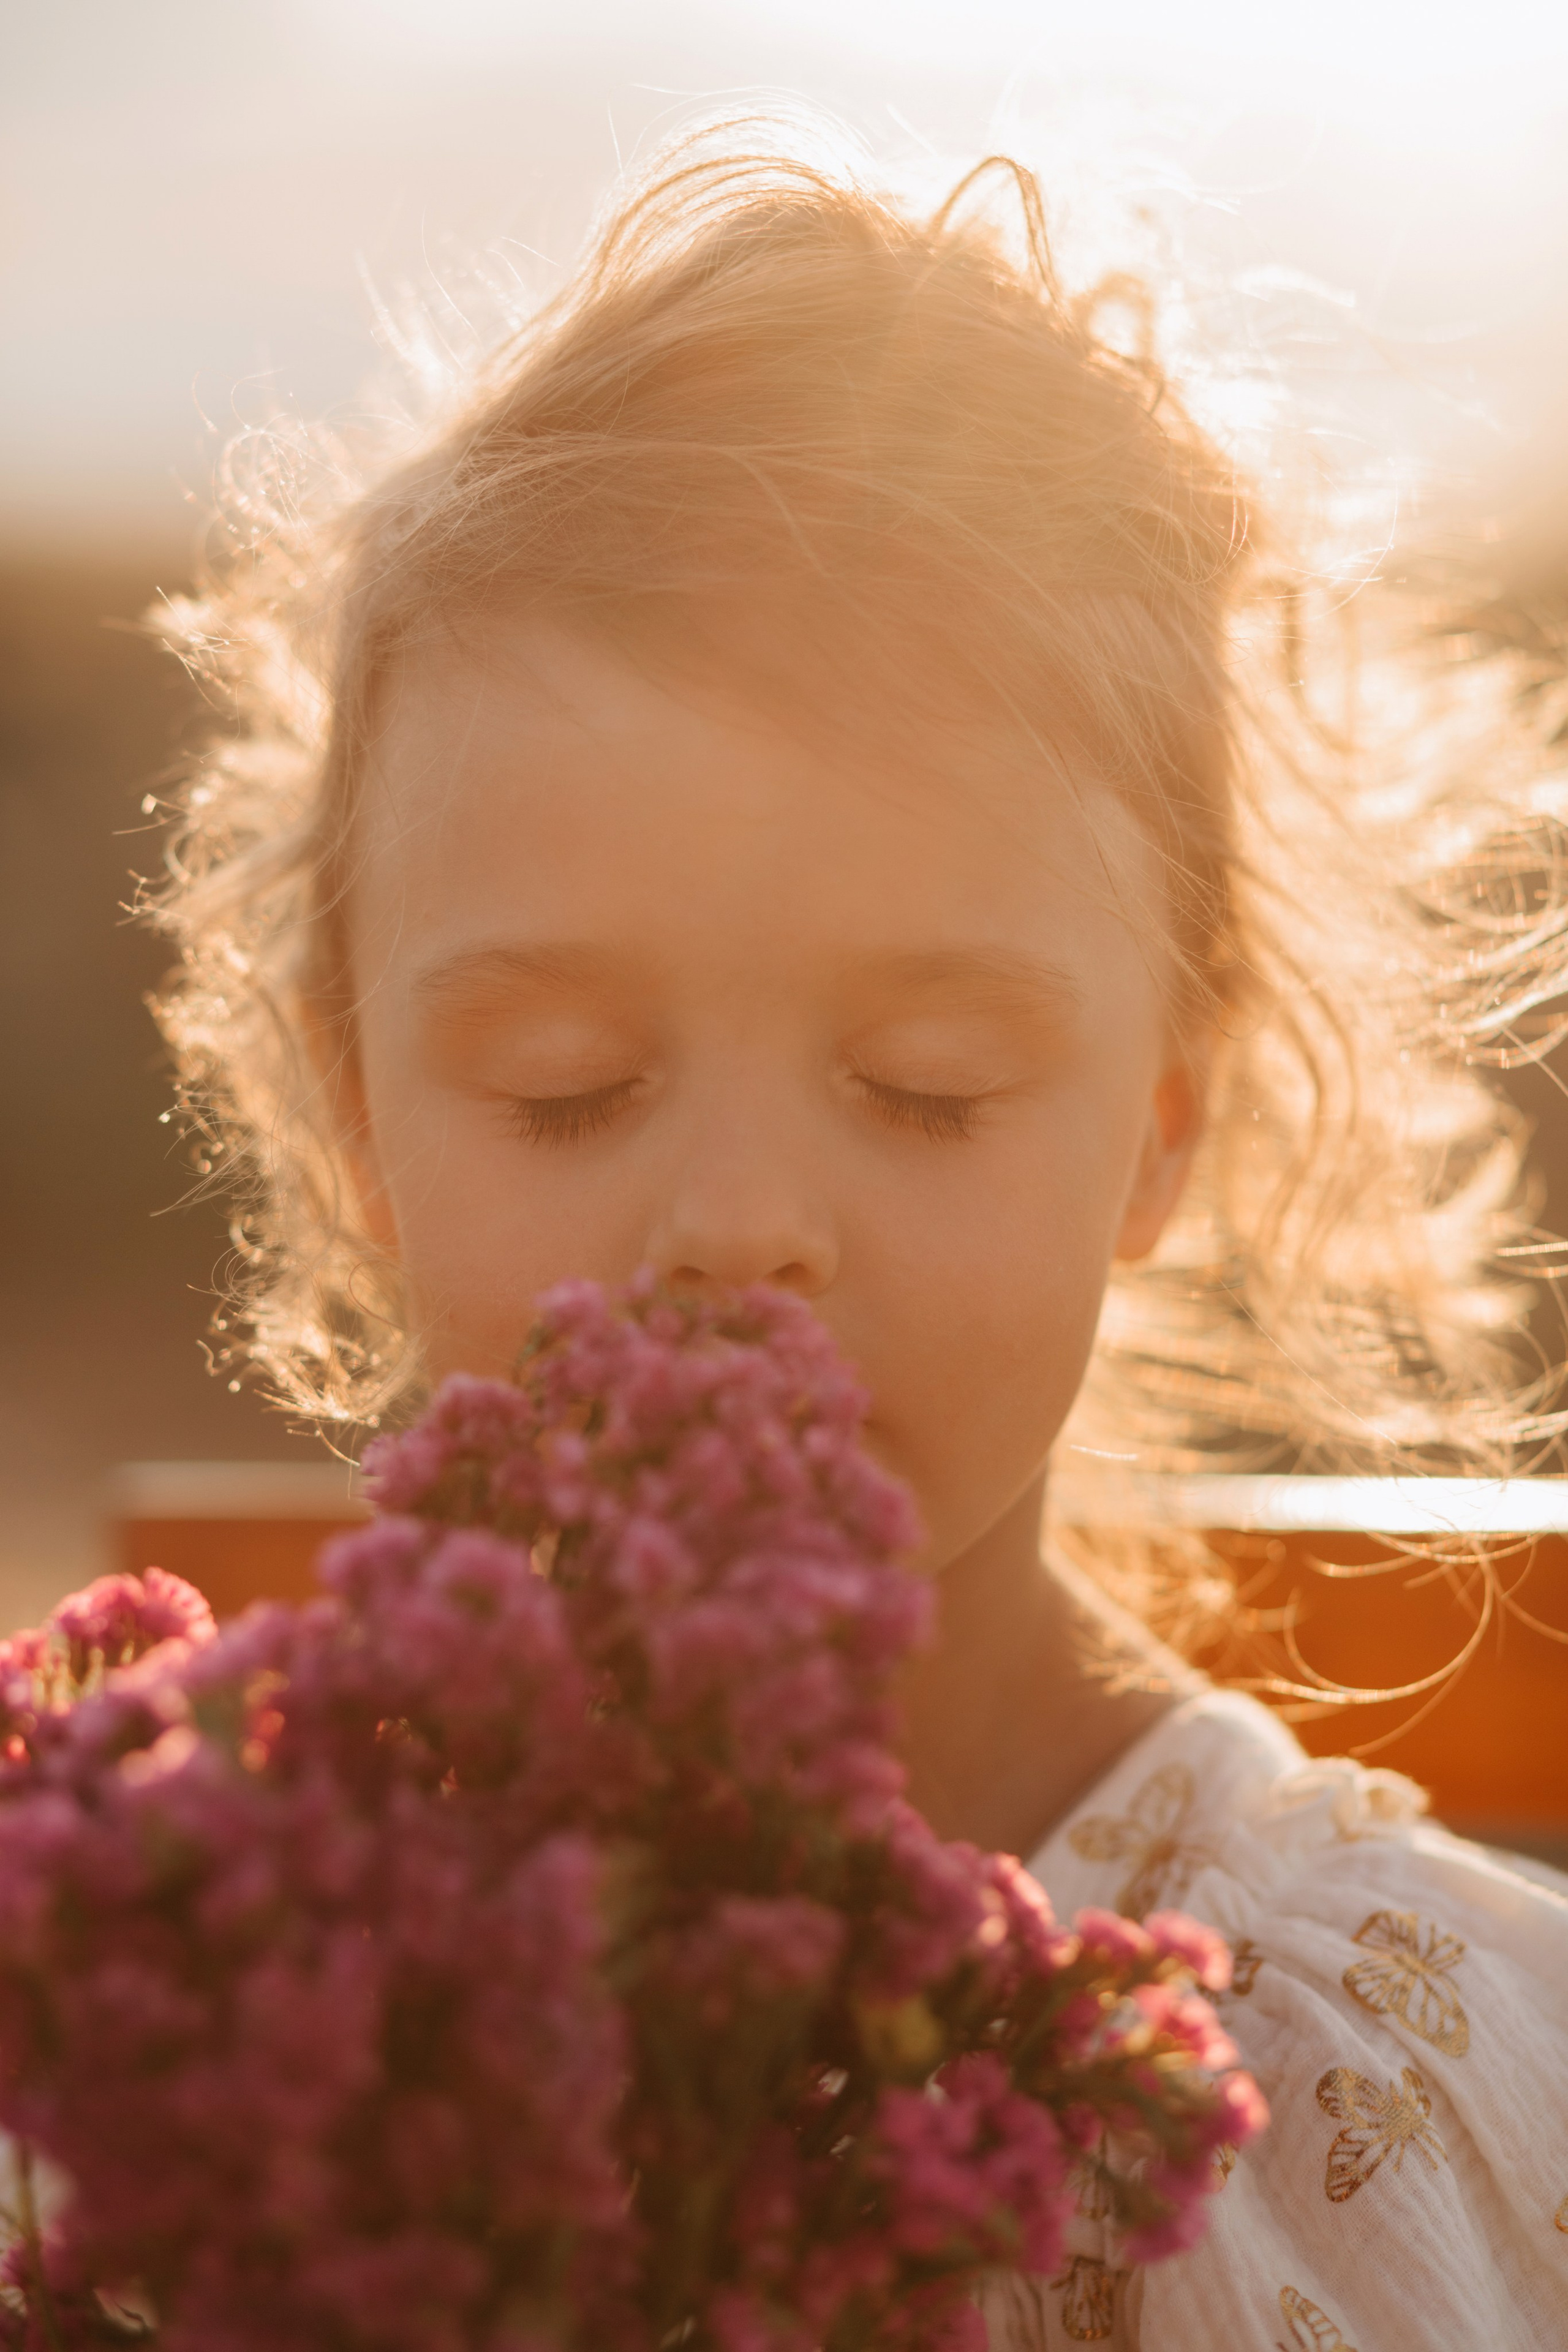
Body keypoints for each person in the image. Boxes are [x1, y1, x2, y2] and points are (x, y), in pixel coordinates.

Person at [145, 121, 1568, 2347]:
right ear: (354, 1120)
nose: (732, 1228)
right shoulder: (183, 1992)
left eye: (925, 1084)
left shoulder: (1433, 2087)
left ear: (1156, 1133)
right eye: (567, 1087)